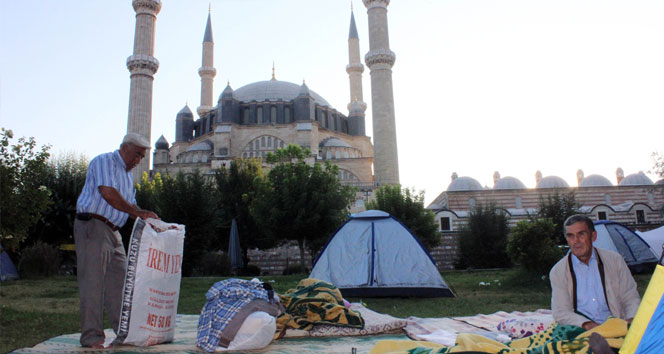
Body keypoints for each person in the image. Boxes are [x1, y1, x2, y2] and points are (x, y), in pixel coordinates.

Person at [74, 133, 159, 348]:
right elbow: (108, 193)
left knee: (121, 286)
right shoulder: (104, 161)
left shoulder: (127, 177)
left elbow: (132, 207)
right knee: (93, 284)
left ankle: (124, 334)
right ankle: (92, 338)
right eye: (137, 155)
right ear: (124, 148)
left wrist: (147, 216)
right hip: (93, 226)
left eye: (142, 157)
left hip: (113, 232)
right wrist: (137, 213)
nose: (138, 161)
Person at [549, 214, 641, 330]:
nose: (576, 241)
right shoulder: (558, 271)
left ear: (593, 236)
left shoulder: (614, 260)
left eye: (581, 234)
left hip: (617, 326)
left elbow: (630, 297)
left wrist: (630, 320)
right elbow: (561, 312)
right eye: (570, 236)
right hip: (581, 330)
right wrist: (587, 325)